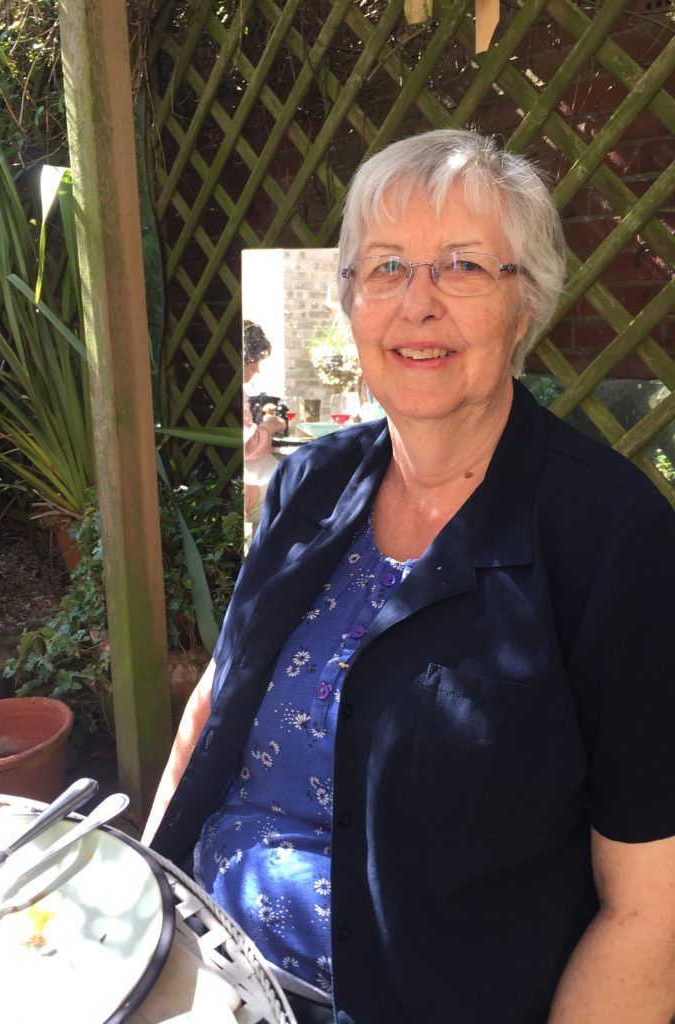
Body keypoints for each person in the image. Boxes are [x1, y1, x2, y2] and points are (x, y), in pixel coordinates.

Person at [144, 129, 675, 1023]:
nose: (416, 306)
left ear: (527, 302)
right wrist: (143, 887)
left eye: (462, 267)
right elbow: (215, 703)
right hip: (198, 956)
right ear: (350, 300)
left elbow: (649, 909)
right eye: (385, 268)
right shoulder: (309, 482)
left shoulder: (614, 542)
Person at [242, 320, 286, 524]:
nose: (257, 369)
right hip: (242, 492)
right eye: (256, 361)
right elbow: (247, 445)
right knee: (293, 489)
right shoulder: (234, 394)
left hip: (239, 482)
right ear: (246, 357)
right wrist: (269, 426)